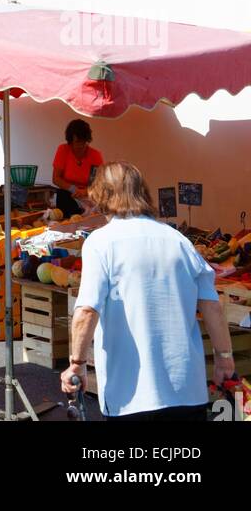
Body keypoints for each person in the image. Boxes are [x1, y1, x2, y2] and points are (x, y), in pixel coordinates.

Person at [60, 162, 234, 420]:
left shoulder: (101, 242)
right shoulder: (178, 240)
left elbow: (87, 310)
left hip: (130, 394)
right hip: (186, 389)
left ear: (102, 197)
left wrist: (77, 364)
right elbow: (211, 305)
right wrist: (225, 358)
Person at [52, 119, 104, 219]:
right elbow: (56, 179)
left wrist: (85, 191)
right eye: (77, 142)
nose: (80, 145)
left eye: (83, 142)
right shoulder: (63, 150)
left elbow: (98, 184)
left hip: (88, 197)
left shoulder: (95, 155)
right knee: (63, 195)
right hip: (68, 195)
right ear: (70, 141)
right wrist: (73, 189)